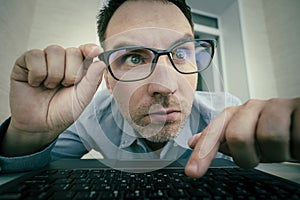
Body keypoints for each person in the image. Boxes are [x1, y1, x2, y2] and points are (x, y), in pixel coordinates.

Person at [0, 0, 299, 178]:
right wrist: (28, 136)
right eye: (134, 57)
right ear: (107, 78)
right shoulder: (91, 115)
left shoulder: (223, 116)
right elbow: (28, 173)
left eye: (181, 52)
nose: (165, 86)